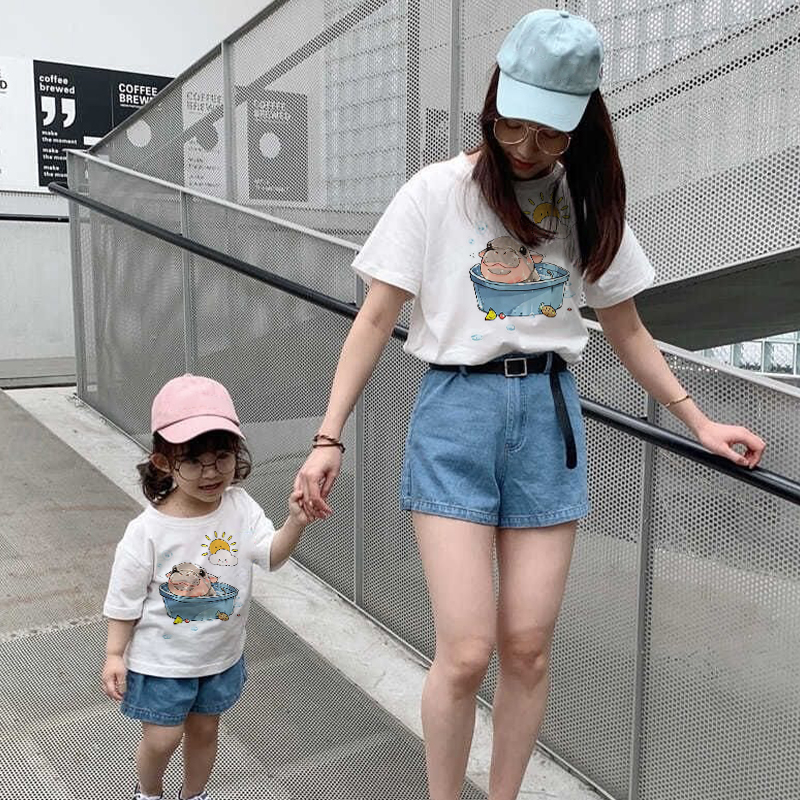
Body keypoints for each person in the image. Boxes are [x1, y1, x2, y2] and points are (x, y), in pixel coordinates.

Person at [295, 8, 766, 800]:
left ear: (582, 123)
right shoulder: (436, 191)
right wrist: (327, 435)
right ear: (494, 100)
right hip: (456, 413)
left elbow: (626, 327)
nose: (525, 146)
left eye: (549, 133)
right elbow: (375, 318)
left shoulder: (583, 201)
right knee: (465, 652)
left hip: (548, 420)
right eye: (513, 123)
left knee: (528, 648)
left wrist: (699, 420)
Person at [101, 373, 312, 800]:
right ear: (163, 462)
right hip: (160, 663)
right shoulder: (147, 531)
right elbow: (124, 599)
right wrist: (115, 654)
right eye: (194, 461)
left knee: (205, 731)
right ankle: (149, 792)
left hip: (219, 656)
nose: (211, 472)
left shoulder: (240, 507)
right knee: (162, 739)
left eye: (222, 456)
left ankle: (193, 794)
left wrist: (295, 522)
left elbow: (270, 556)